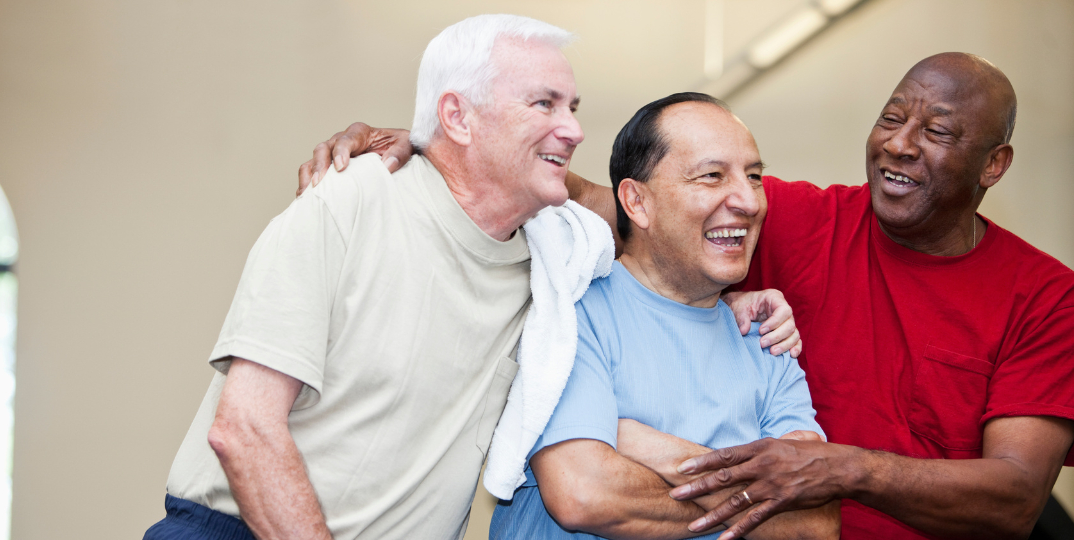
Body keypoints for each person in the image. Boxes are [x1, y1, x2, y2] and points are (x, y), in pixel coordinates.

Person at [307, 53, 1074, 539]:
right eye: (891, 118)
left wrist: (838, 472)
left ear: (994, 165)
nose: (901, 143)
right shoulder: (787, 229)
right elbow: (609, 200)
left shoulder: (1044, 295)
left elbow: (1011, 500)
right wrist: (444, 151)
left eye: (937, 131)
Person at [148, 14, 800, 540]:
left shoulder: (554, 246)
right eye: (543, 104)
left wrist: (742, 294)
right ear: (458, 117)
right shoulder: (354, 197)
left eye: (571, 106)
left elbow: (666, 223)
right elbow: (244, 429)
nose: (572, 130)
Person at [487, 92, 839, 539]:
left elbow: (816, 524)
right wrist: (757, 501)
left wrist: (640, 443)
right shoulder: (571, 311)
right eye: (712, 176)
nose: (749, 202)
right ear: (636, 202)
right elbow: (585, 495)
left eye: (753, 177)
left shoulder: (766, 337)